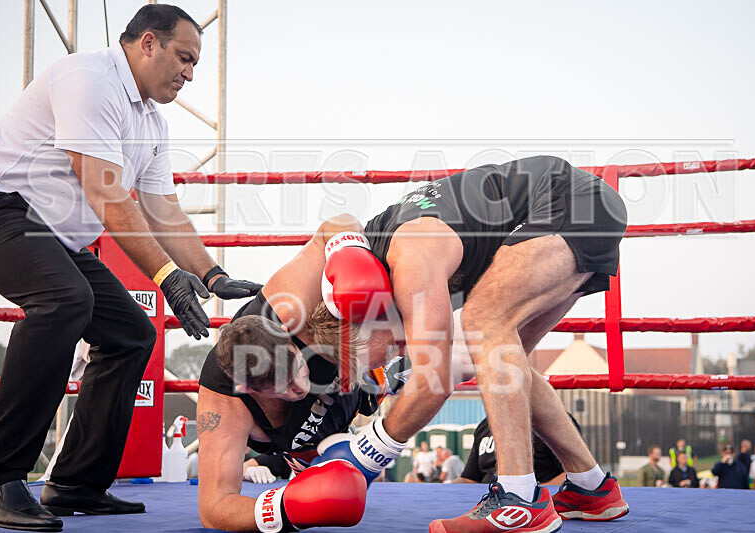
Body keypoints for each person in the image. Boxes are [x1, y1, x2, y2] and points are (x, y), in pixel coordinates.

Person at [0, 5, 260, 531]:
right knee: (65, 301)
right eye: (183, 57)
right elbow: (104, 189)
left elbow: (163, 212)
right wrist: (166, 277)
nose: (189, 73)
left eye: (197, 64)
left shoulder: (151, 122)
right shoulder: (89, 78)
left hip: (55, 235)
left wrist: (212, 275)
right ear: (147, 43)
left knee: (131, 333)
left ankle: (75, 483)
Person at [310, 155, 630, 531]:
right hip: (570, 209)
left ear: (362, 326)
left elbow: (437, 377)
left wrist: (369, 451)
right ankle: (591, 488)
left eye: (368, 361)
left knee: (483, 322)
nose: (386, 363)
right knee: (509, 362)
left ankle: (518, 498)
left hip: (570, 204)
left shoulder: (409, 256)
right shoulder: (384, 262)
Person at [194, 214, 405, 532]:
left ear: (286, 334)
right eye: (284, 386)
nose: (299, 387)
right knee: (326, 465)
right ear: (246, 388)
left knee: (391, 331)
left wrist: (348, 255)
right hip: (307, 441)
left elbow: (338, 223)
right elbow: (213, 509)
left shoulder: (287, 304)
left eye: (297, 369)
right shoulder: (223, 406)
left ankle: (376, 380)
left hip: (355, 363)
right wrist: (288, 507)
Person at [456, 415, 582, 485]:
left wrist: (535, 494)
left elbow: (574, 475)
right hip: (486, 499)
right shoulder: (486, 425)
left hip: (531, 501)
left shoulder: (554, 423)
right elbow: (469, 478)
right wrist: (441, 491)